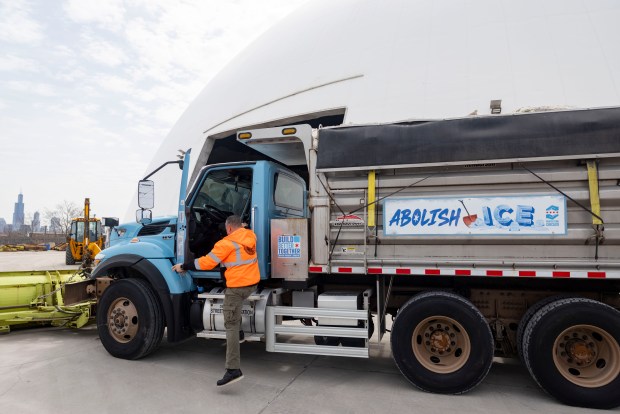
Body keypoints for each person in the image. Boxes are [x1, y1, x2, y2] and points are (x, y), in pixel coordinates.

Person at [172, 215, 260, 386]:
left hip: (236, 288)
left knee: (230, 324)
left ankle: (233, 370)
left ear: (228, 229)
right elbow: (243, 229)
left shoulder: (225, 244)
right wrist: (242, 226)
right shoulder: (250, 236)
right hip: (252, 283)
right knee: (236, 314)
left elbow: (206, 263)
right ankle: (240, 335)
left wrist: (184, 266)